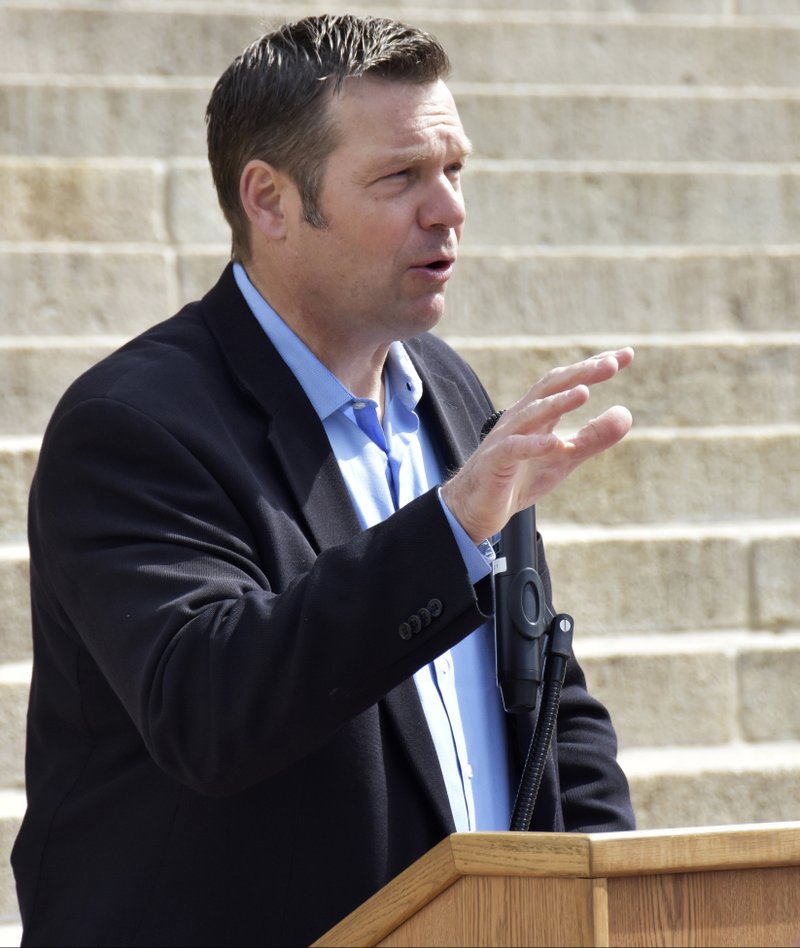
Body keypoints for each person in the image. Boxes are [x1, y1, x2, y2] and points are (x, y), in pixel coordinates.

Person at [12, 13, 636, 947]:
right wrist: (454, 524)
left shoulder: (451, 394)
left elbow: (547, 693)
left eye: (453, 170)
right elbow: (209, 705)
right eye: (399, 178)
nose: (448, 209)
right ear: (268, 200)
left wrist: (615, 892)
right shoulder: (135, 426)